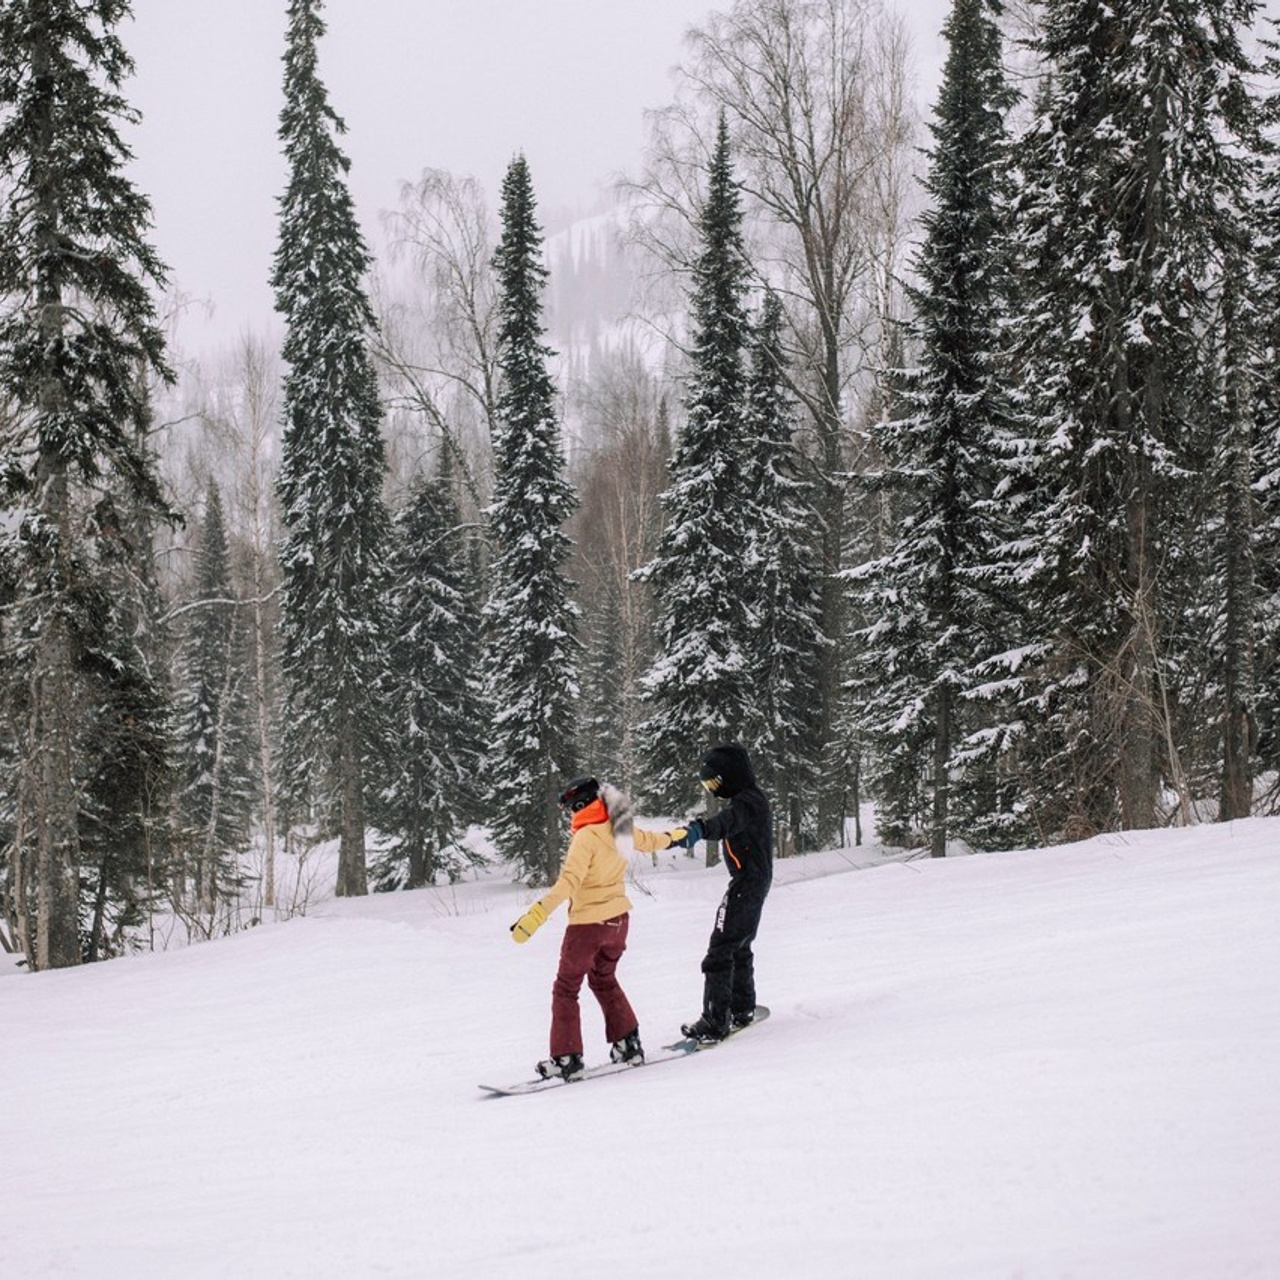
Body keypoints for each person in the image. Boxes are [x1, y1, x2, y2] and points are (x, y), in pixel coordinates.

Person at [633, 742, 773, 1043]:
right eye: (708, 786)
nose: (713, 791)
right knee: (739, 944)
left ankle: (714, 1020)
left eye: (714, 784)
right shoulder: (751, 798)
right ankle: (742, 1007)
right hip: (753, 881)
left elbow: (726, 822)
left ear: (730, 776)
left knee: (720, 949)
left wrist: (698, 830)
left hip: (747, 884)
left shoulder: (747, 803)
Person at [509, 777, 644, 1081]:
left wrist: (536, 915)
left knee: (566, 988)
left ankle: (567, 1057)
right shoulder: (619, 827)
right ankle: (628, 1043)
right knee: (604, 979)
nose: (570, 814)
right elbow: (651, 841)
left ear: (579, 805)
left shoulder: (585, 837)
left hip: (588, 926)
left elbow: (568, 882)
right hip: (619, 922)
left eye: (570, 808)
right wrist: (688, 834)